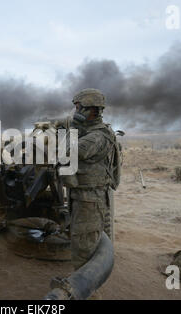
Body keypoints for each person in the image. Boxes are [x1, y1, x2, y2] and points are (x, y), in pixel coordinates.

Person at [64, 88, 121, 270]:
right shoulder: (89, 131)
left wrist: (73, 127)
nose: (76, 111)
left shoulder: (97, 137)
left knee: (84, 245)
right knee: (83, 239)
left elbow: (67, 151)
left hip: (89, 199)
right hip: (83, 196)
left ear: (91, 110)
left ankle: (86, 290)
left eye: (79, 107)